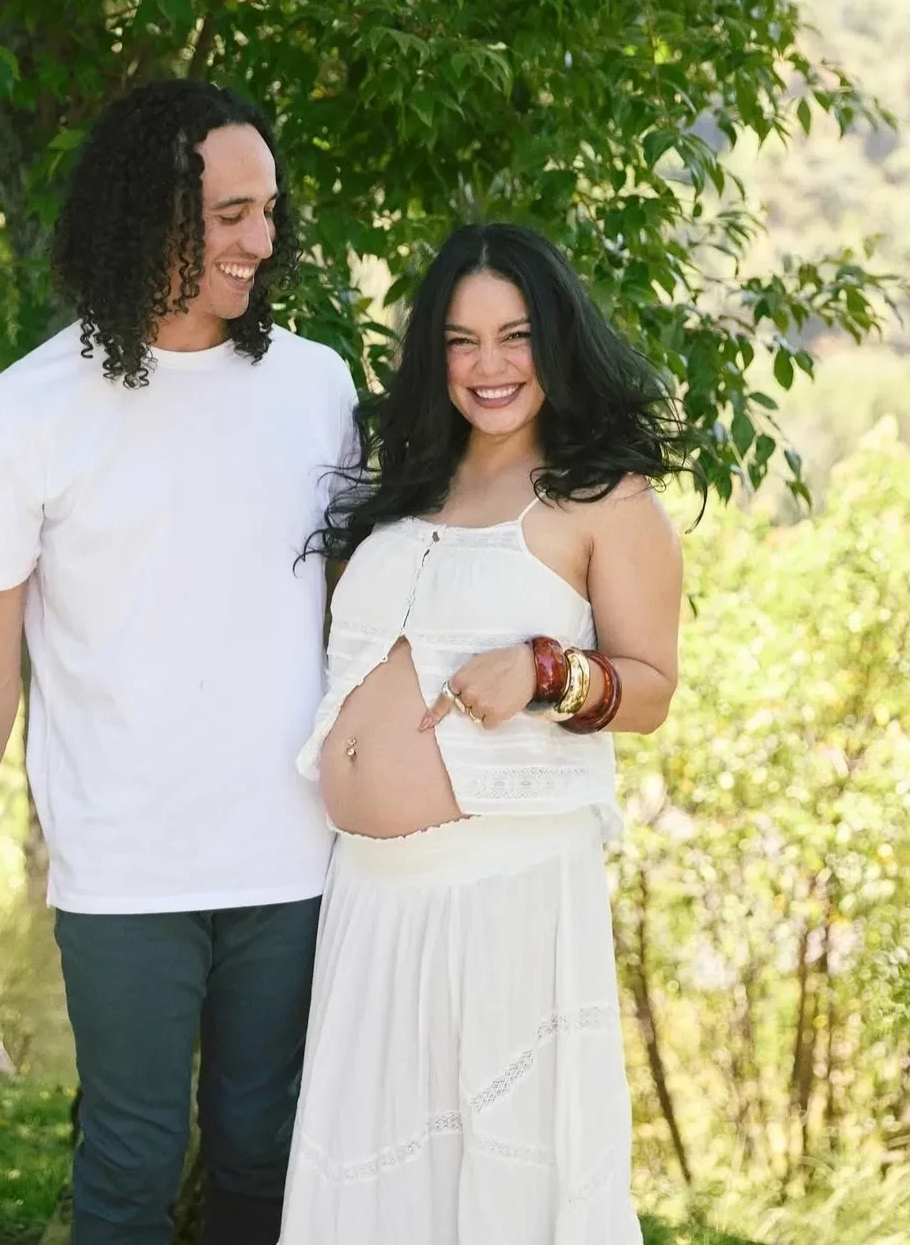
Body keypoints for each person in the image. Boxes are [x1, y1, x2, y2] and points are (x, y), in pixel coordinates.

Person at [0, 79, 358, 1245]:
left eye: (270, 211)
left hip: (295, 855)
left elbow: (364, 615)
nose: (263, 241)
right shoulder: (24, 414)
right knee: (128, 1168)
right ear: (146, 213)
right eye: (230, 216)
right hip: (124, 870)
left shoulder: (317, 387)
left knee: (267, 1158)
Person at [280, 222, 698, 1244]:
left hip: (505, 892)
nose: (489, 365)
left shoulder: (605, 500)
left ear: (555, 341)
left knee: (504, 1182)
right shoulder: (405, 488)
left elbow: (651, 690)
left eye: (515, 337)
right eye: (461, 341)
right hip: (369, 897)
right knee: (376, 1190)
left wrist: (548, 670)